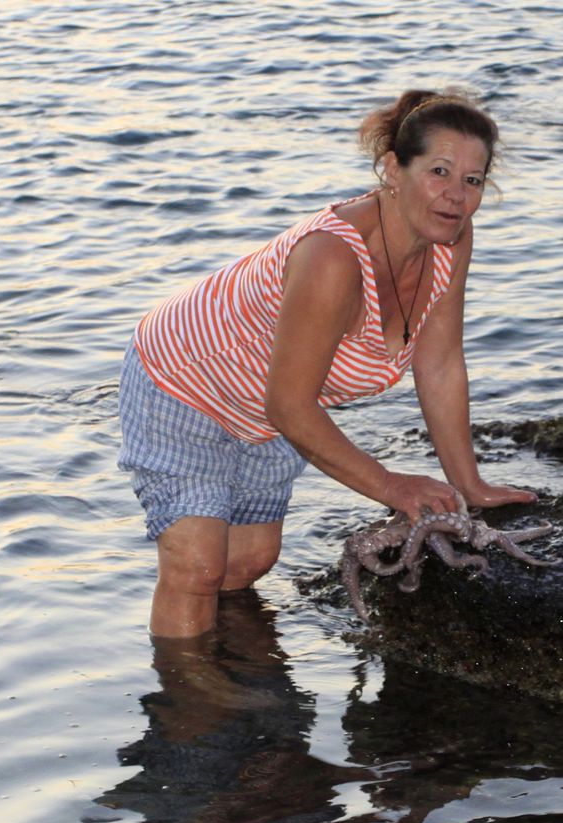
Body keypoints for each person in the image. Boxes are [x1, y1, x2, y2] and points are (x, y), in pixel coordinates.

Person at [118, 87, 537, 639]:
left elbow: (439, 364)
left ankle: (234, 668)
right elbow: (291, 405)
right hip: (185, 379)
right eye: (438, 171)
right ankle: (190, 705)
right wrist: (393, 486)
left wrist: (470, 484)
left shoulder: (449, 240)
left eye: (472, 180)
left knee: (248, 563)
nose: (455, 195)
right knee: (196, 569)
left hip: (264, 410)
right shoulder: (333, 256)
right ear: (393, 168)